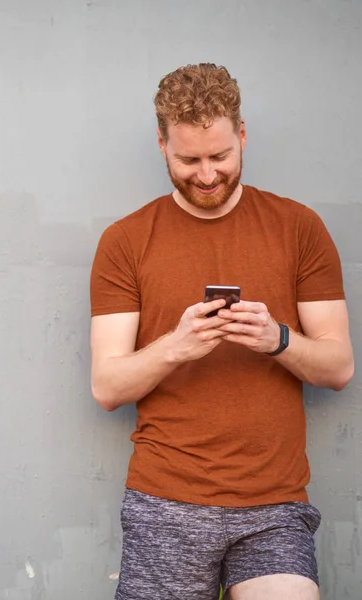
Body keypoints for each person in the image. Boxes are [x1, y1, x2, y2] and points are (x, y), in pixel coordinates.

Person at [89, 63, 354, 600]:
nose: (207, 175)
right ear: (162, 144)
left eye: (221, 156)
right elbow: (107, 387)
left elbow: (340, 367)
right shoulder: (125, 240)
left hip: (274, 504)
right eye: (188, 160)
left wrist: (277, 340)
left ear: (243, 135)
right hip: (165, 501)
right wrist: (175, 347)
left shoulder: (299, 228)